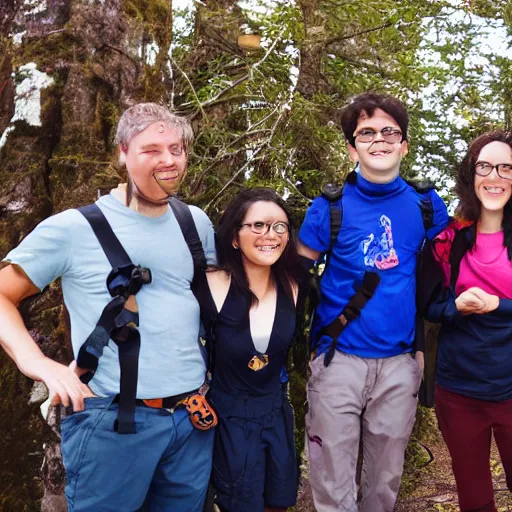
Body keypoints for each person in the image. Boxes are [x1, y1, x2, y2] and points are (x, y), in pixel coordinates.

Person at [0, 103, 216, 511]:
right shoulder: (73, 229)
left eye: (177, 148)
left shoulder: (195, 224)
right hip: (113, 423)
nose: (169, 160)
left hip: (190, 420)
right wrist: (40, 365)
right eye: (152, 149)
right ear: (122, 152)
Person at [298, 92, 449, 511]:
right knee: (331, 478)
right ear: (352, 146)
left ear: (403, 144)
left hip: (400, 363)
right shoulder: (328, 208)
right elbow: (290, 278)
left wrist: (423, 346)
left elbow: (453, 267)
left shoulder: (426, 205)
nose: (378, 140)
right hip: (337, 358)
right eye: (366, 132)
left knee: (385, 480)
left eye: (389, 131)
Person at [195, 188, 307, 512]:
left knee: (279, 501)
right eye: (257, 225)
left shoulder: (293, 285)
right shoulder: (209, 284)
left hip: (276, 412)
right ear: (234, 237)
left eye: (279, 227)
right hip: (228, 417)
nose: (269, 235)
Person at [426, 130, 512, 512]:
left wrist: (499, 304)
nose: (495, 176)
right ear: (471, 174)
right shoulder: (449, 239)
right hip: (459, 390)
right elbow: (429, 306)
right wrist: (455, 307)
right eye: (486, 166)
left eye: (507, 168)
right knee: (475, 500)